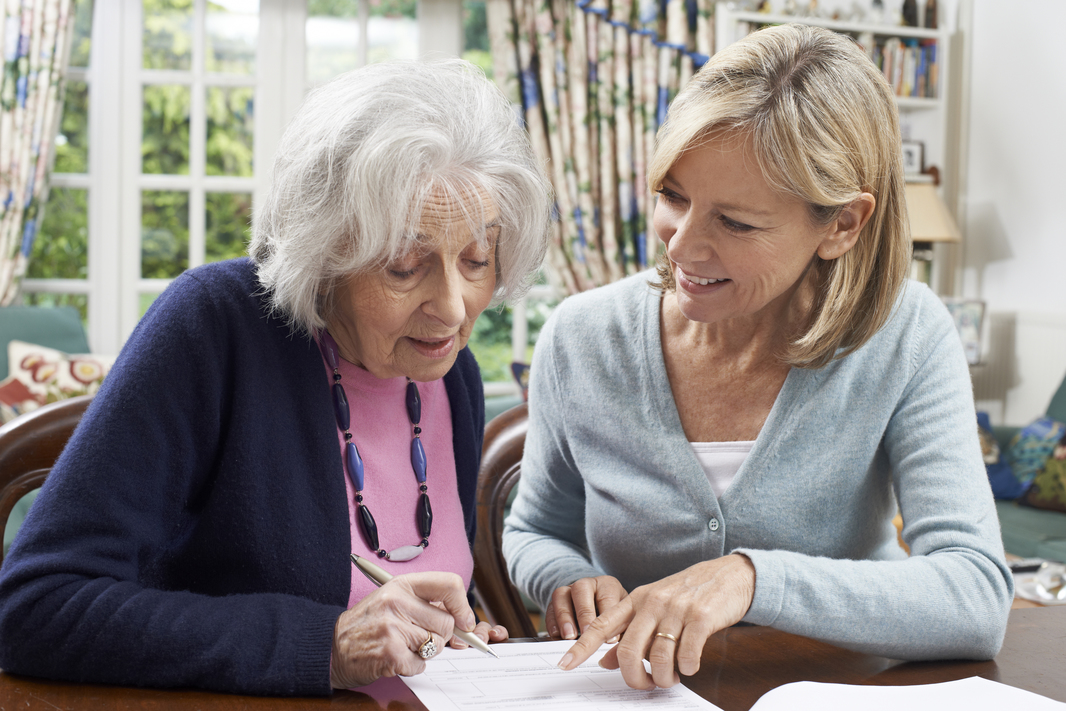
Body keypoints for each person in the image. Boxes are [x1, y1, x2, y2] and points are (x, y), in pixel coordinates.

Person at [0, 59, 550, 695]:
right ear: (326, 252)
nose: (453, 307)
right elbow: (34, 607)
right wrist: (328, 644)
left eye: (477, 259)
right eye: (405, 266)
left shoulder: (451, 375)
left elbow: (419, 600)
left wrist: (446, 631)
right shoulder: (215, 327)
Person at [503, 23, 1013, 691]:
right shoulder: (580, 336)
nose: (681, 247)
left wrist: (751, 577)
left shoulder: (907, 334)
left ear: (842, 224)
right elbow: (535, 529)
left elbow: (974, 594)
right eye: (673, 196)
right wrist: (564, 577)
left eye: (735, 222)